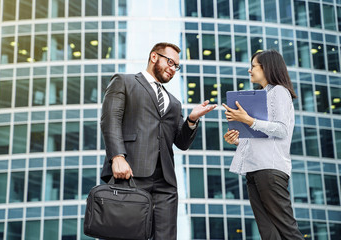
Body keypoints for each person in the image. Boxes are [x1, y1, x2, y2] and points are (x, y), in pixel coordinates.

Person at [100, 42, 217, 239]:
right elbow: (110, 120)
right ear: (154, 57)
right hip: (131, 173)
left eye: (176, 66)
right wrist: (117, 157)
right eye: (170, 62)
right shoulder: (124, 82)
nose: (173, 69)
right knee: (127, 234)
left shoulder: (174, 103)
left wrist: (191, 119)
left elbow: (181, 142)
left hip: (165, 182)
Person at [223, 49, 304, 239]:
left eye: (253, 66)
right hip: (255, 170)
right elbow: (261, 137)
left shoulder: (279, 92)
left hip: (270, 170)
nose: (249, 71)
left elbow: (281, 129)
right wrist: (237, 140)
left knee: (287, 231)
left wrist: (248, 120)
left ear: (267, 67)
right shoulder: (261, 96)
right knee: (268, 233)